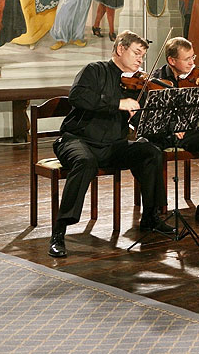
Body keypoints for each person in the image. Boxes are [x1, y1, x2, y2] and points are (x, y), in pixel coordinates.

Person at [48, 31, 174, 259]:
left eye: (143, 56)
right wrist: (117, 103)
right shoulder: (94, 70)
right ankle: (59, 232)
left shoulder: (136, 85)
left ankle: (151, 217)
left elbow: (139, 121)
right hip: (77, 140)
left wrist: (159, 119)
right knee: (85, 162)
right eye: (136, 53)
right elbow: (77, 97)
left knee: (149, 152)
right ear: (119, 49)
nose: (140, 60)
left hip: (112, 146)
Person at [145, 37, 199, 223]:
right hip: (163, 135)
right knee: (150, 152)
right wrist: (171, 127)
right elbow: (150, 118)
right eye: (187, 59)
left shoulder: (196, 82)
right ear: (172, 61)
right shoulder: (156, 80)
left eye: (193, 57)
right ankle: (153, 211)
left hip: (189, 134)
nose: (192, 63)